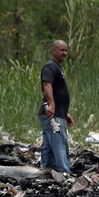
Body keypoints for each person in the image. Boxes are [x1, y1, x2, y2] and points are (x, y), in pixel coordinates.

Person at [38, 40, 74, 173]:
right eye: (61, 50)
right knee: (59, 145)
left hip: (57, 113)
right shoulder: (50, 67)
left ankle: (46, 172)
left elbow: (59, 92)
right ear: (53, 50)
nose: (64, 53)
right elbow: (47, 85)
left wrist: (65, 113)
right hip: (53, 114)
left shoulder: (57, 67)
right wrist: (52, 105)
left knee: (49, 146)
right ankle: (64, 174)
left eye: (66, 50)